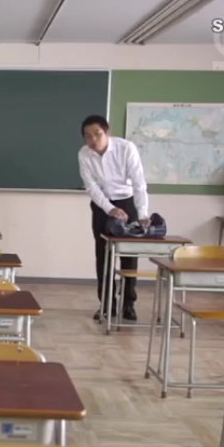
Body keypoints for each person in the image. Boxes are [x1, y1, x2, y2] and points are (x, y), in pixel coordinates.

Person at [77, 115, 151, 322]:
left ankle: (128, 305)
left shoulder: (126, 148)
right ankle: (107, 305)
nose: (93, 140)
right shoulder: (84, 154)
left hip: (127, 202)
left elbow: (139, 183)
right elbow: (91, 187)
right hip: (102, 205)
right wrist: (110, 209)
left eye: (97, 134)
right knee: (103, 255)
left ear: (107, 133)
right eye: (88, 136)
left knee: (129, 256)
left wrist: (142, 214)